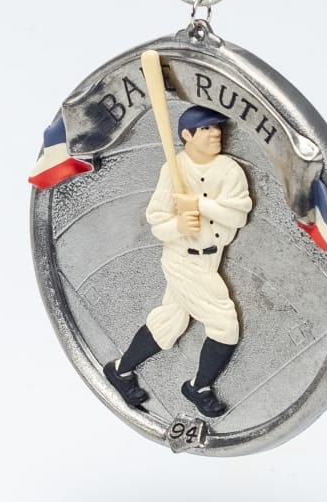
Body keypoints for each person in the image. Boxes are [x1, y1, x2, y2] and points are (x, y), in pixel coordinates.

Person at [104, 105, 253, 417]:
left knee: (170, 322)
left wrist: (198, 204)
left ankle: (120, 370)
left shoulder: (229, 170)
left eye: (217, 127)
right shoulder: (173, 170)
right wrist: (178, 226)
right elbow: (156, 222)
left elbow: (238, 215)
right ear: (187, 135)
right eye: (206, 128)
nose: (216, 133)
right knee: (224, 324)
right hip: (181, 257)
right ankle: (199, 388)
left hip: (212, 257)